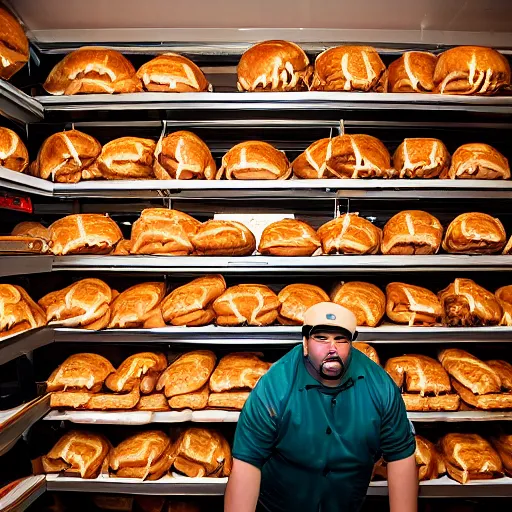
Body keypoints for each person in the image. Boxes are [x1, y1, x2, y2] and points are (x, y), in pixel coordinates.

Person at [225, 302, 417, 512]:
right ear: (305, 343)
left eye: (340, 339)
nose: (332, 348)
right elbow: (247, 463)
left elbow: (400, 455)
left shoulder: (379, 387)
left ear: (351, 344)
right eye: (321, 338)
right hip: (278, 506)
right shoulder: (274, 387)